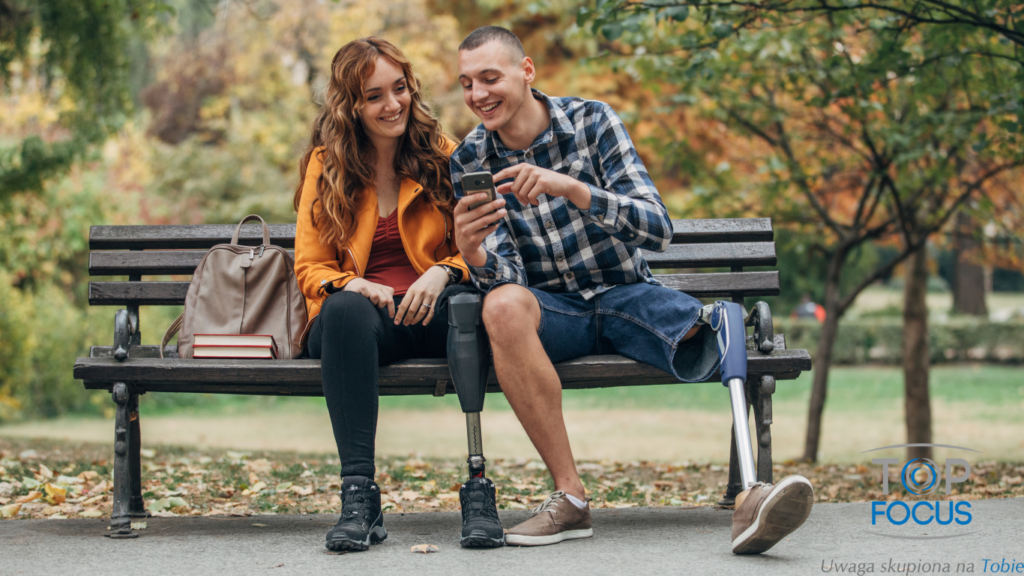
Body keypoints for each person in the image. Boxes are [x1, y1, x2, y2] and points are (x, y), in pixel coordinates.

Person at [450, 26, 814, 554]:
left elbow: (658, 229)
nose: (477, 94)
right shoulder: (469, 159)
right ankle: (570, 500)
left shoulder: (592, 122)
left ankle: (752, 497)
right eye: (466, 83)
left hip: (627, 296)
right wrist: (474, 254)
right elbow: (506, 276)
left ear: (526, 71)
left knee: (723, 321)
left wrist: (575, 190)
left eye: (489, 77)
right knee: (501, 304)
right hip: (555, 314)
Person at [293, 37, 476, 553]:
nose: (392, 104)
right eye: (374, 96)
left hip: (432, 312)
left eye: (399, 88)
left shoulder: (444, 156)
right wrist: (355, 283)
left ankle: (478, 489)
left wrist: (443, 272)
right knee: (347, 307)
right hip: (360, 324)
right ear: (351, 104)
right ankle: (359, 497)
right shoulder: (326, 165)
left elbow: (482, 252)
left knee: (471, 305)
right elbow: (309, 267)